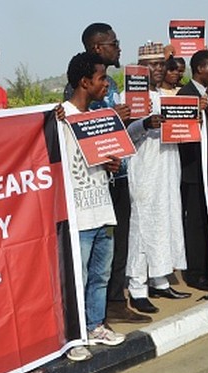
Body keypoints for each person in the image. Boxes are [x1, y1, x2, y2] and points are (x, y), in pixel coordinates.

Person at [65, 23, 137, 320]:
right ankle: (81, 326)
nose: (118, 47)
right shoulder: (66, 111)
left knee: (105, 267)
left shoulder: (107, 95)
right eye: (113, 42)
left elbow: (100, 150)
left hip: (108, 190)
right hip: (83, 207)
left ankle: (101, 318)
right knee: (82, 273)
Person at [62, 52, 126, 361]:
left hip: (103, 208)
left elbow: (105, 156)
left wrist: (110, 165)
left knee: (101, 275)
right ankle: (74, 337)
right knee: (79, 277)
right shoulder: (59, 117)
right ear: (85, 82)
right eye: (102, 78)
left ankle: (95, 325)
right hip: (78, 215)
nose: (106, 83)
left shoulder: (101, 117)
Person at [125, 42, 190, 315]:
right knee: (142, 227)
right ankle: (138, 287)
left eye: (162, 64)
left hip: (167, 166)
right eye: (153, 65)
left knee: (166, 221)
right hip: (144, 171)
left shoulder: (167, 96)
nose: (159, 70)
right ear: (141, 69)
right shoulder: (128, 96)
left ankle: (160, 279)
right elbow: (123, 133)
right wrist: (143, 125)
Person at [178, 49, 208, 292]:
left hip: (207, 170)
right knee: (195, 224)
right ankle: (195, 273)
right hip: (192, 172)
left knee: (207, 222)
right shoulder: (185, 96)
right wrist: (197, 114)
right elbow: (181, 135)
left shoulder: (207, 95)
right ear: (200, 69)